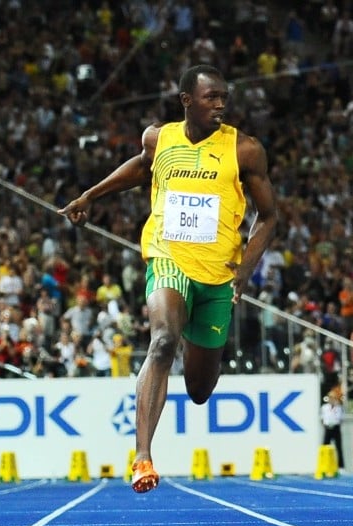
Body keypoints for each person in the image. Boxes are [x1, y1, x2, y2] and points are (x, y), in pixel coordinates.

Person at [59, 64, 278, 493]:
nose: (220, 105)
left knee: (199, 388)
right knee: (162, 341)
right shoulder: (159, 139)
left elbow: (269, 217)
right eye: (211, 97)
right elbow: (141, 169)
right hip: (167, 257)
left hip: (218, 275)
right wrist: (90, 195)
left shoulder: (245, 150)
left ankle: (190, 377)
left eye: (223, 98)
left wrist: (245, 273)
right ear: (187, 101)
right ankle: (143, 455)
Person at [320, 385, 345, 469]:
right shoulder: (324, 407)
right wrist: (326, 425)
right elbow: (322, 418)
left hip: (335, 427)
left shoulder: (339, 408)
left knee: (338, 447)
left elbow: (340, 419)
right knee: (324, 446)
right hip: (327, 428)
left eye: (333, 398)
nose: (331, 399)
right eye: (330, 397)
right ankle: (323, 464)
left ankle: (340, 466)